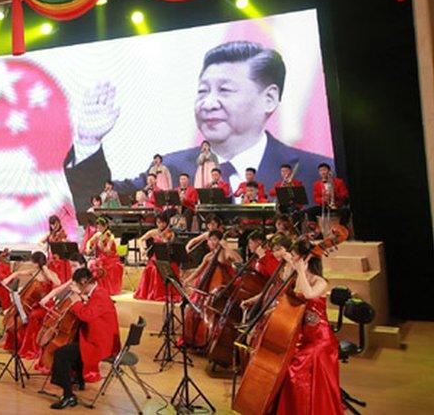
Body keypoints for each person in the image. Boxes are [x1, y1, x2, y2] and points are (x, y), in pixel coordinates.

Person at [63, 41, 333, 216]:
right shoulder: (171, 165)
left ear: (269, 98)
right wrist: (88, 143)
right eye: (203, 91)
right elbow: (100, 201)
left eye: (225, 90)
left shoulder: (312, 168)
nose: (209, 102)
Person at [274, 239, 343, 415]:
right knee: (285, 369)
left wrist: (301, 271)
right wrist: (291, 264)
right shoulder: (299, 276)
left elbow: (308, 294)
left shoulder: (321, 282)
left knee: (294, 371)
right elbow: (288, 290)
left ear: (306, 259)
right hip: (303, 337)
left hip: (320, 340)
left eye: (296, 254)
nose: (294, 257)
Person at [48, 267, 122, 410]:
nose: (76, 287)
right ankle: (78, 380)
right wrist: (82, 299)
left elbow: (86, 315)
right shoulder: (99, 292)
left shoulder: (99, 295)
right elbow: (92, 309)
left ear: (83, 281)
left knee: (60, 354)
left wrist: (76, 301)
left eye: (76, 284)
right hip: (100, 338)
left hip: (100, 344)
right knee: (73, 342)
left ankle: (68, 395)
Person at [0, 251, 62, 359]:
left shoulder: (50, 273)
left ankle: (30, 349)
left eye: (33, 262)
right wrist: (7, 279)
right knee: (20, 314)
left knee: (33, 316)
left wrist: (46, 270)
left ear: (38, 263)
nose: (31, 264)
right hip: (34, 304)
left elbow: (57, 282)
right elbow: (17, 273)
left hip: (46, 305)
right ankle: (16, 344)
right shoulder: (34, 271)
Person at [134, 215, 180, 301]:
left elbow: (168, 245)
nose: (161, 225)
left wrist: (163, 236)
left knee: (160, 269)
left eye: (163, 222)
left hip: (166, 257)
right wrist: (142, 249)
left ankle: (160, 293)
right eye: (158, 222)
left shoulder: (170, 233)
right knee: (150, 268)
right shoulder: (153, 232)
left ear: (166, 223)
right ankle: (151, 292)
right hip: (155, 257)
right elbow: (140, 239)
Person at [84, 219, 123, 295]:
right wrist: (88, 248)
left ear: (105, 226)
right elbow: (89, 241)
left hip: (111, 258)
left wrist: (100, 244)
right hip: (102, 257)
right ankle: (95, 288)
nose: (99, 229)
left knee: (103, 267)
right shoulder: (98, 234)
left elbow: (108, 250)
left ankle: (105, 289)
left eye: (101, 227)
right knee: (92, 264)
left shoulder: (110, 236)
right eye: (98, 227)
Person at [41, 215, 72, 284]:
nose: (54, 226)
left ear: (59, 223)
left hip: (60, 257)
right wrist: (45, 246)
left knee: (61, 276)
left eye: (56, 224)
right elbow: (40, 242)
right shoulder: (50, 233)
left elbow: (67, 242)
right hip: (52, 257)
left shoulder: (62, 232)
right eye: (52, 224)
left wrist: (64, 241)